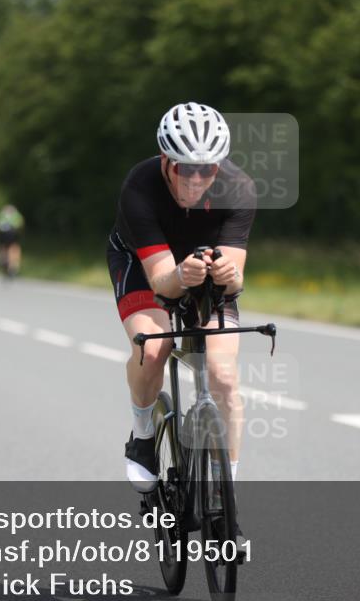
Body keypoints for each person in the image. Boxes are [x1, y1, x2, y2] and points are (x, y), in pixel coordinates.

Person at [107, 102, 256, 503]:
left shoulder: (238, 188)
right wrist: (180, 276)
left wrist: (227, 277)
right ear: (165, 161)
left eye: (206, 169)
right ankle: (142, 436)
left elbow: (236, 276)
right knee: (154, 349)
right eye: (184, 168)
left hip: (201, 267)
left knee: (223, 376)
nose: (195, 178)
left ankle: (228, 494)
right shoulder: (140, 186)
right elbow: (161, 283)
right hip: (144, 264)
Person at [0, 204, 24, 278]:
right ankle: (13, 266)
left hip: (3, 234)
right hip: (12, 233)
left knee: (3, 248)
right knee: (14, 248)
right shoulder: (16, 214)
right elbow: (21, 223)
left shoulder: (1, 214)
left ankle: (4, 261)